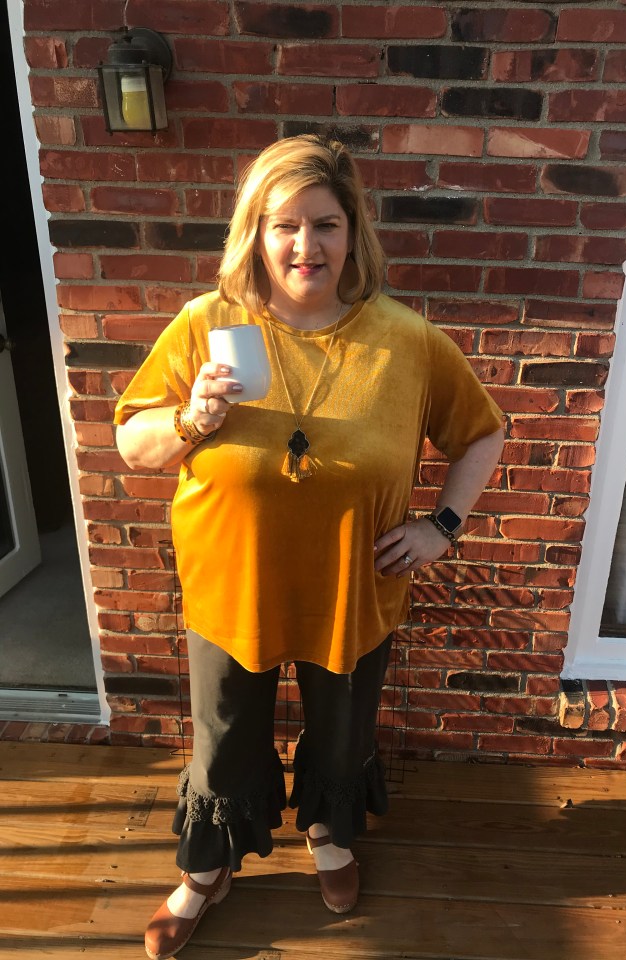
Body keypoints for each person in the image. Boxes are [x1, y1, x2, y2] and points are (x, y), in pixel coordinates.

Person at [115, 134, 504, 960]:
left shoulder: (404, 339)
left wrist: (441, 527)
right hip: (232, 585)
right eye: (284, 225)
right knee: (223, 739)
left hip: (354, 586)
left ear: (353, 232)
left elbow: (482, 431)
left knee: (341, 731)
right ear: (255, 233)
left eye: (325, 224)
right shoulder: (208, 325)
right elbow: (133, 443)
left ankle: (328, 833)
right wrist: (193, 418)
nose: (305, 246)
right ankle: (208, 868)